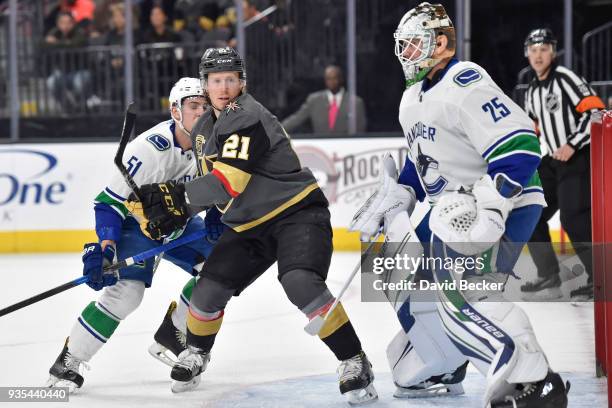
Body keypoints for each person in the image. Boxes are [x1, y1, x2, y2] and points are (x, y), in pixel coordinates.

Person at [125, 47, 378, 404]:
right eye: (216, 81)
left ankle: (354, 361)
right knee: (207, 290)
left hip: (296, 213)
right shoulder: (204, 128)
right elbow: (211, 187)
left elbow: (229, 183)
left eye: (231, 79)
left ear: (242, 83)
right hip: (248, 224)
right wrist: (179, 212)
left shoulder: (245, 115)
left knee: (300, 282)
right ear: (205, 85)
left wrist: (177, 198)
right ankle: (197, 351)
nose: (224, 87)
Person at [350, 3, 569, 407]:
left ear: (443, 43)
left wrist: (490, 205)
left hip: (502, 204)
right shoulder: (410, 99)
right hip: (448, 211)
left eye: (415, 44)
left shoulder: (465, 81)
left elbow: (521, 146)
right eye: (404, 45)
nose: (406, 54)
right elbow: (426, 163)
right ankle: (443, 365)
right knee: (398, 276)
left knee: (468, 295)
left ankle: (533, 381)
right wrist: (401, 192)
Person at [46, 78, 224, 392]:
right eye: (193, 106)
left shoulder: (213, 143)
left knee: (222, 269)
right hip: (136, 225)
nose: (201, 112)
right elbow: (108, 202)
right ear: (175, 111)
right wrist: (105, 249)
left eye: (205, 106)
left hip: (180, 223)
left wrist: (214, 213)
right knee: (126, 294)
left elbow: (217, 187)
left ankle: (175, 333)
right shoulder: (149, 149)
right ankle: (69, 360)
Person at [521, 28, 605, 301]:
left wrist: (571, 144)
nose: (538, 55)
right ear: (527, 54)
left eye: (543, 49)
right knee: (528, 210)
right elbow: (532, 128)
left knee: (573, 218)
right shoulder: (532, 89)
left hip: (578, 156)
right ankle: (549, 275)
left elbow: (596, 110)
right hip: (554, 160)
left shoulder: (565, 79)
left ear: (553, 52)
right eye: (533, 50)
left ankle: (601, 280)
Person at [282, 65, 367, 134]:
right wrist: (277, 130)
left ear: (341, 79)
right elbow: (297, 118)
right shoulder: (314, 100)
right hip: (321, 148)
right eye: (328, 79)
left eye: (334, 78)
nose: (331, 82)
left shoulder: (355, 102)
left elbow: (360, 130)